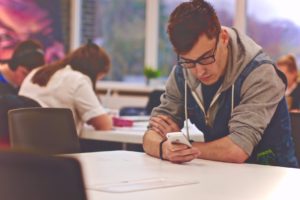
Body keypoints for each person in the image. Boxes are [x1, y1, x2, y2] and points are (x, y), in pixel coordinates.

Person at [143, 0, 298, 167]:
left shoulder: (260, 73)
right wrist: (164, 148)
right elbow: (151, 135)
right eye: (189, 62)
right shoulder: (183, 71)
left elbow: (237, 149)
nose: (199, 71)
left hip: (273, 178)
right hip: (219, 174)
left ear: (223, 37)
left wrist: (183, 149)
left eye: (206, 58)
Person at [19, 42, 113, 134]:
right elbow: (104, 125)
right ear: (95, 72)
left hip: (22, 144)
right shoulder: (78, 80)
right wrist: (109, 118)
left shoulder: (36, 72)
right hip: (57, 145)